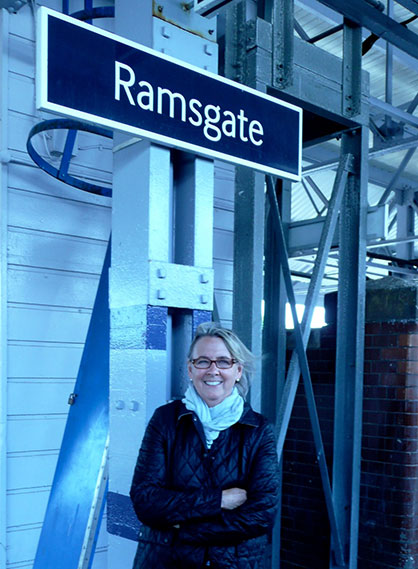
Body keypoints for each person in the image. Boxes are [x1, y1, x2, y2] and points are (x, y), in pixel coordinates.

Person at [130, 322, 280, 569]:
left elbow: (261, 514)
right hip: (165, 562)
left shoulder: (258, 430)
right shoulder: (165, 420)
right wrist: (218, 500)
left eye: (223, 361)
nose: (213, 370)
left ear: (238, 370)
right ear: (190, 369)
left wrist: (183, 530)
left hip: (234, 562)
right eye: (203, 362)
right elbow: (145, 501)